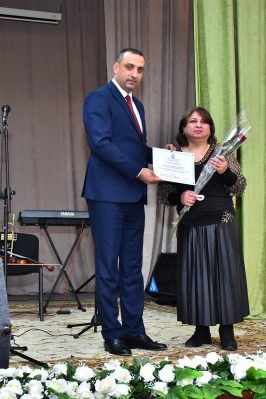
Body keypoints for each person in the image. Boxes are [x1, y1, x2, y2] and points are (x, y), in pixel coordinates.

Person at [82, 48, 168, 356]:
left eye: (140, 69)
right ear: (116, 67)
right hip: (106, 196)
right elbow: (101, 144)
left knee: (133, 267)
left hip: (133, 196)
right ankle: (112, 333)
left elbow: (136, 148)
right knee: (109, 268)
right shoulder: (98, 98)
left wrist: (162, 156)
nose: (134, 74)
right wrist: (138, 171)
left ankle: (135, 331)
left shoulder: (138, 105)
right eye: (129, 67)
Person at [157, 106, 249, 351]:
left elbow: (240, 186)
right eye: (192, 121)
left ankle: (227, 331)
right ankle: (201, 331)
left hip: (222, 220)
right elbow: (165, 194)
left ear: (210, 128)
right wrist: (181, 197)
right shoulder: (174, 156)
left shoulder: (223, 154)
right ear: (184, 129)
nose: (198, 125)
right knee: (195, 277)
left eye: (203, 121)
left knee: (225, 276)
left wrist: (225, 171)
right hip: (191, 223)